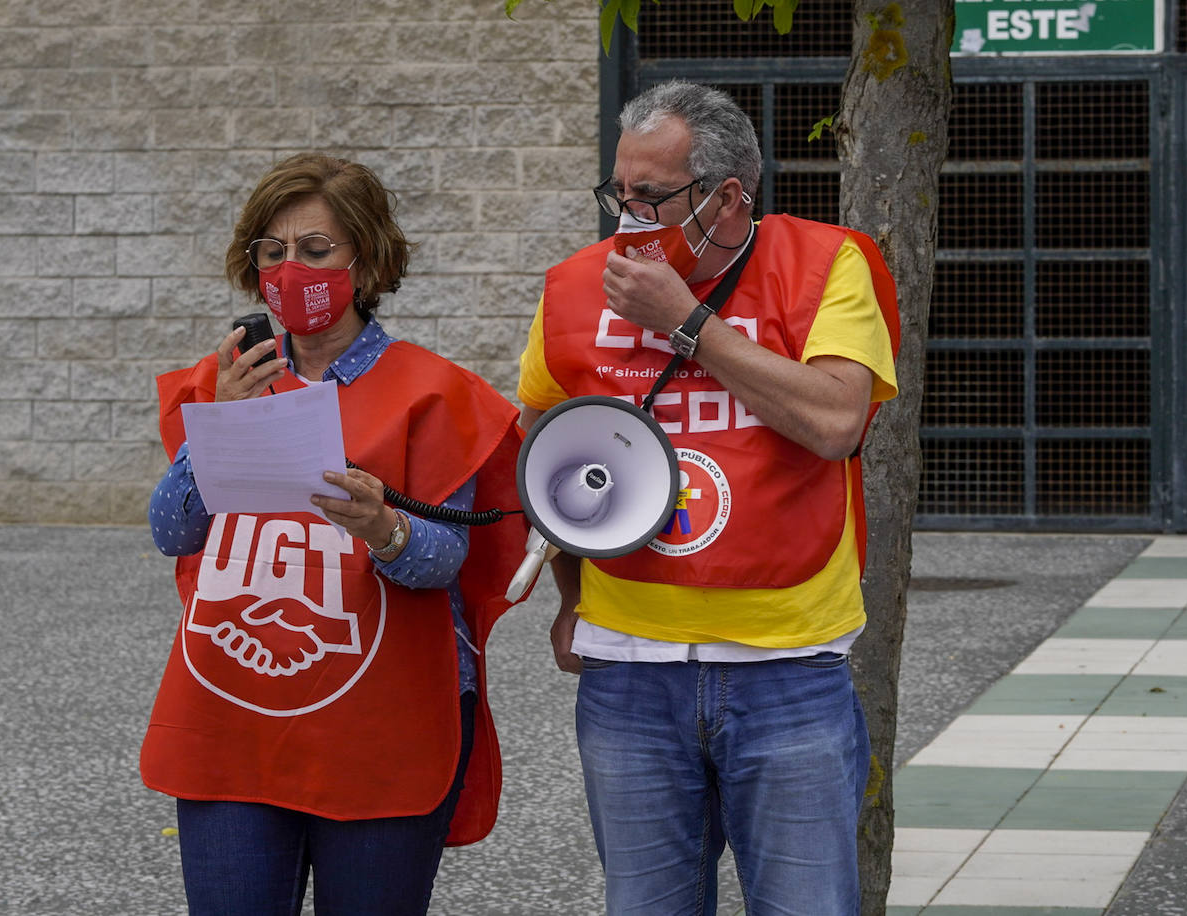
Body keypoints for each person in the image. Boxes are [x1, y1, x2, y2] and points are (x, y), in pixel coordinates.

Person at [516, 81, 899, 915]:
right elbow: (546, 458)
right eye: (620, 192)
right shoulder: (575, 285)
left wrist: (687, 322)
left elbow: (836, 420)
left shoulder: (828, 263)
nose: (629, 216)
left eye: (652, 197)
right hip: (627, 673)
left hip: (789, 669)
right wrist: (571, 595)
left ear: (728, 198)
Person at [142, 152, 527, 915]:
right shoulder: (222, 377)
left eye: (316, 251)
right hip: (235, 716)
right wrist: (216, 422)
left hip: (382, 732)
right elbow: (172, 530)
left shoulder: (435, 393)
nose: (292, 271)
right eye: (273, 252)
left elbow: (446, 559)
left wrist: (385, 530)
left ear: (368, 258)